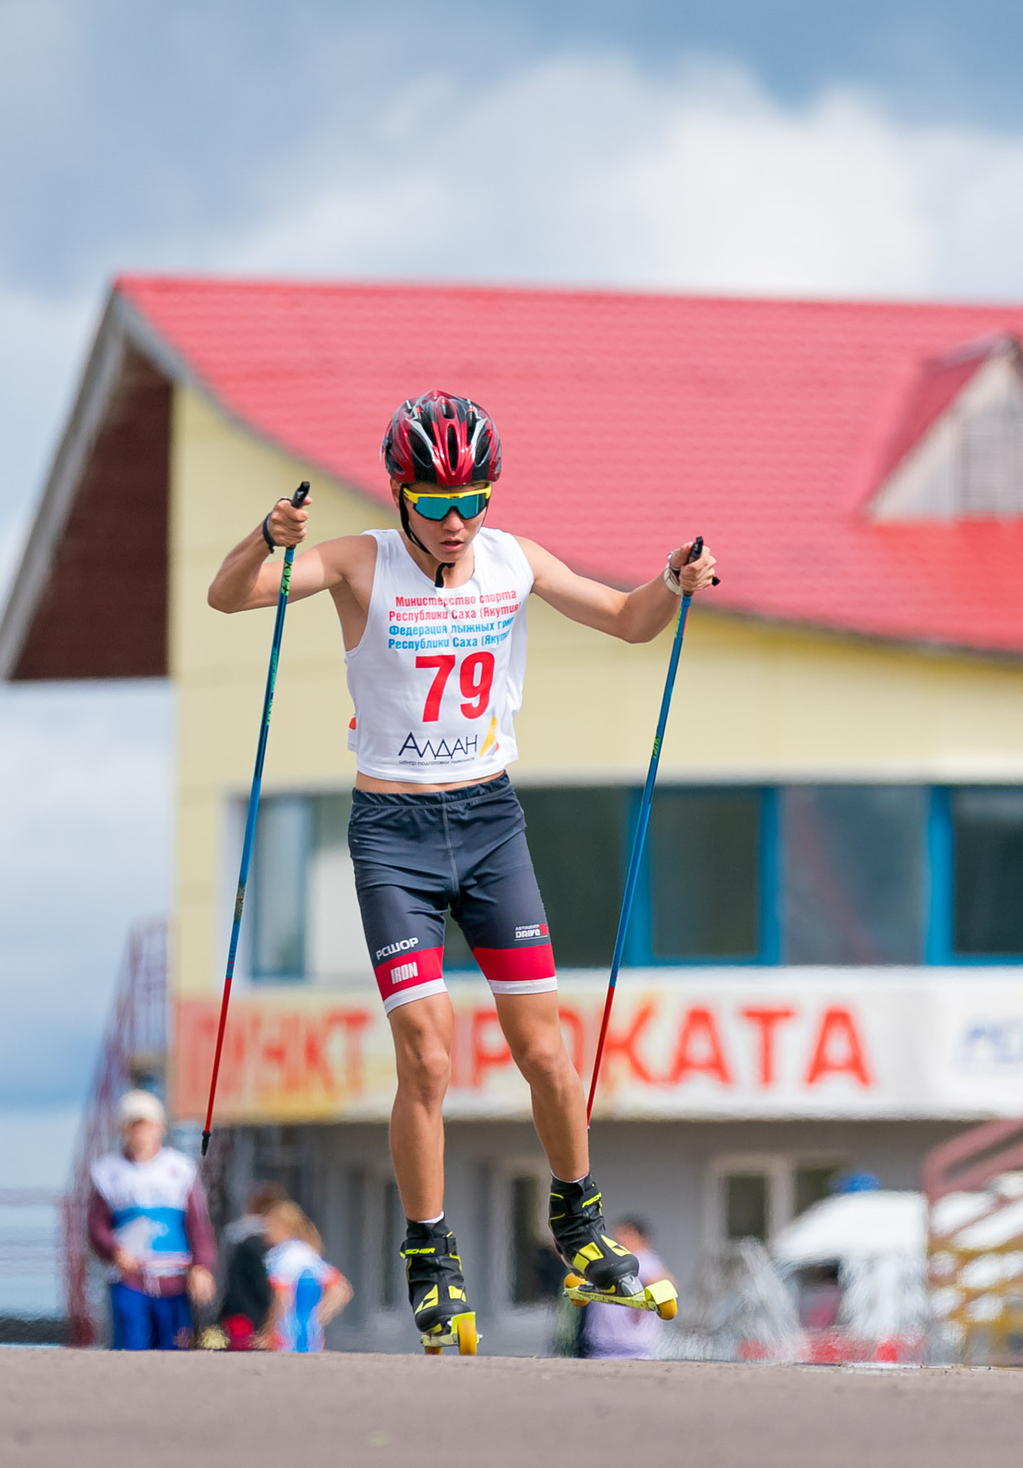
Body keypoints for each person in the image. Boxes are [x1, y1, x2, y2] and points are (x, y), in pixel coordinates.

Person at [207, 391, 716, 1351]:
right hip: (392, 830)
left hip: (489, 821)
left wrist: (673, 580)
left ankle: (578, 1221)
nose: (455, 523)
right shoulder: (362, 559)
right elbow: (230, 597)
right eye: (436, 504)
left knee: (547, 1053)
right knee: (430, 1056)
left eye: (471, 500)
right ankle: (430, 1253)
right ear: (400, 492)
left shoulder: (512, 558)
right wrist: (263, 538)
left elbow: (626, 618)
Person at [87, 1089, 216, 1350]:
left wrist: (202, 1267)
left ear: (160, 1128)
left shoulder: (181, 1169)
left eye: (146, 1126)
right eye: (134, 1127)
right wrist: (114, 1250)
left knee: (175, 1348)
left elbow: (197, 1225)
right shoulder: (107, 1172)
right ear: (123, 1130)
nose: (141, 1134)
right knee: (130, 1346)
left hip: (174, 1279)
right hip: (129, 1278)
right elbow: (96, 1226)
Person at [260, 1201, 351, 1353]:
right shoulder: (308, 1253)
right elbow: (342, 1290)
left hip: (287, 1330)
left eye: (270, 1226)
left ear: (282, 1227)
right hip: (312, 1332)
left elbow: (282, 1296)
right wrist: (321, 1314)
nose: (267, 1231)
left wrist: (270, 1326)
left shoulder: (280, 1256)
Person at [578, 1219, 670, 1360]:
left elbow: (665, 1284)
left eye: (627, 1233)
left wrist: (641, 1306)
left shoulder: (643, 1260)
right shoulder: (608, 1261)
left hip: (632, 1348)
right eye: (619, 1233)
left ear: (642, 1239)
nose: (620, 1238)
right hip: (600, 1347)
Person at [216, 1182, 288, 1351]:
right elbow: (261, 1283)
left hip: (232, 1309)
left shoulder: (233, 1234)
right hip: (254, 1315)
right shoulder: (262, 1242)